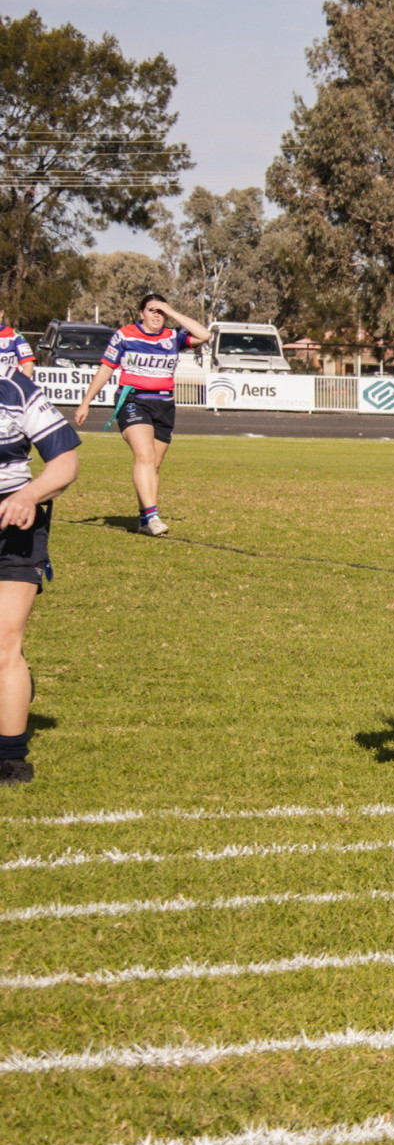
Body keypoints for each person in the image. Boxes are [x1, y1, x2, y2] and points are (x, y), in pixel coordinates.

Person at [0, 363, 82, 785]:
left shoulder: (15, 388)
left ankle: (11, 756)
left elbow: (65, 462)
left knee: (3, 643)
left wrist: (28, 495)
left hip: (13, 530)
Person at [72, 292, 208, 536]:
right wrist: (86, 402)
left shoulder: (173, 337)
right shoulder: (124, 335)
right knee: (144, 456)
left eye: (160, 311)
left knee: (154, 464)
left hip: (164, 405)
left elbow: (204, 335)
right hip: (133, 401)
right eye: (151, 310)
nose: (156, 316)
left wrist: (172, 311)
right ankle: (153, 516)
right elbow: (105, 369)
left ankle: (144, 520)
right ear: (141, 314)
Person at [0, 307, 35, 375]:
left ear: (1, 313)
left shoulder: (14, 335)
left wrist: (21, 383)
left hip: (7, 383)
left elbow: (28, 365)